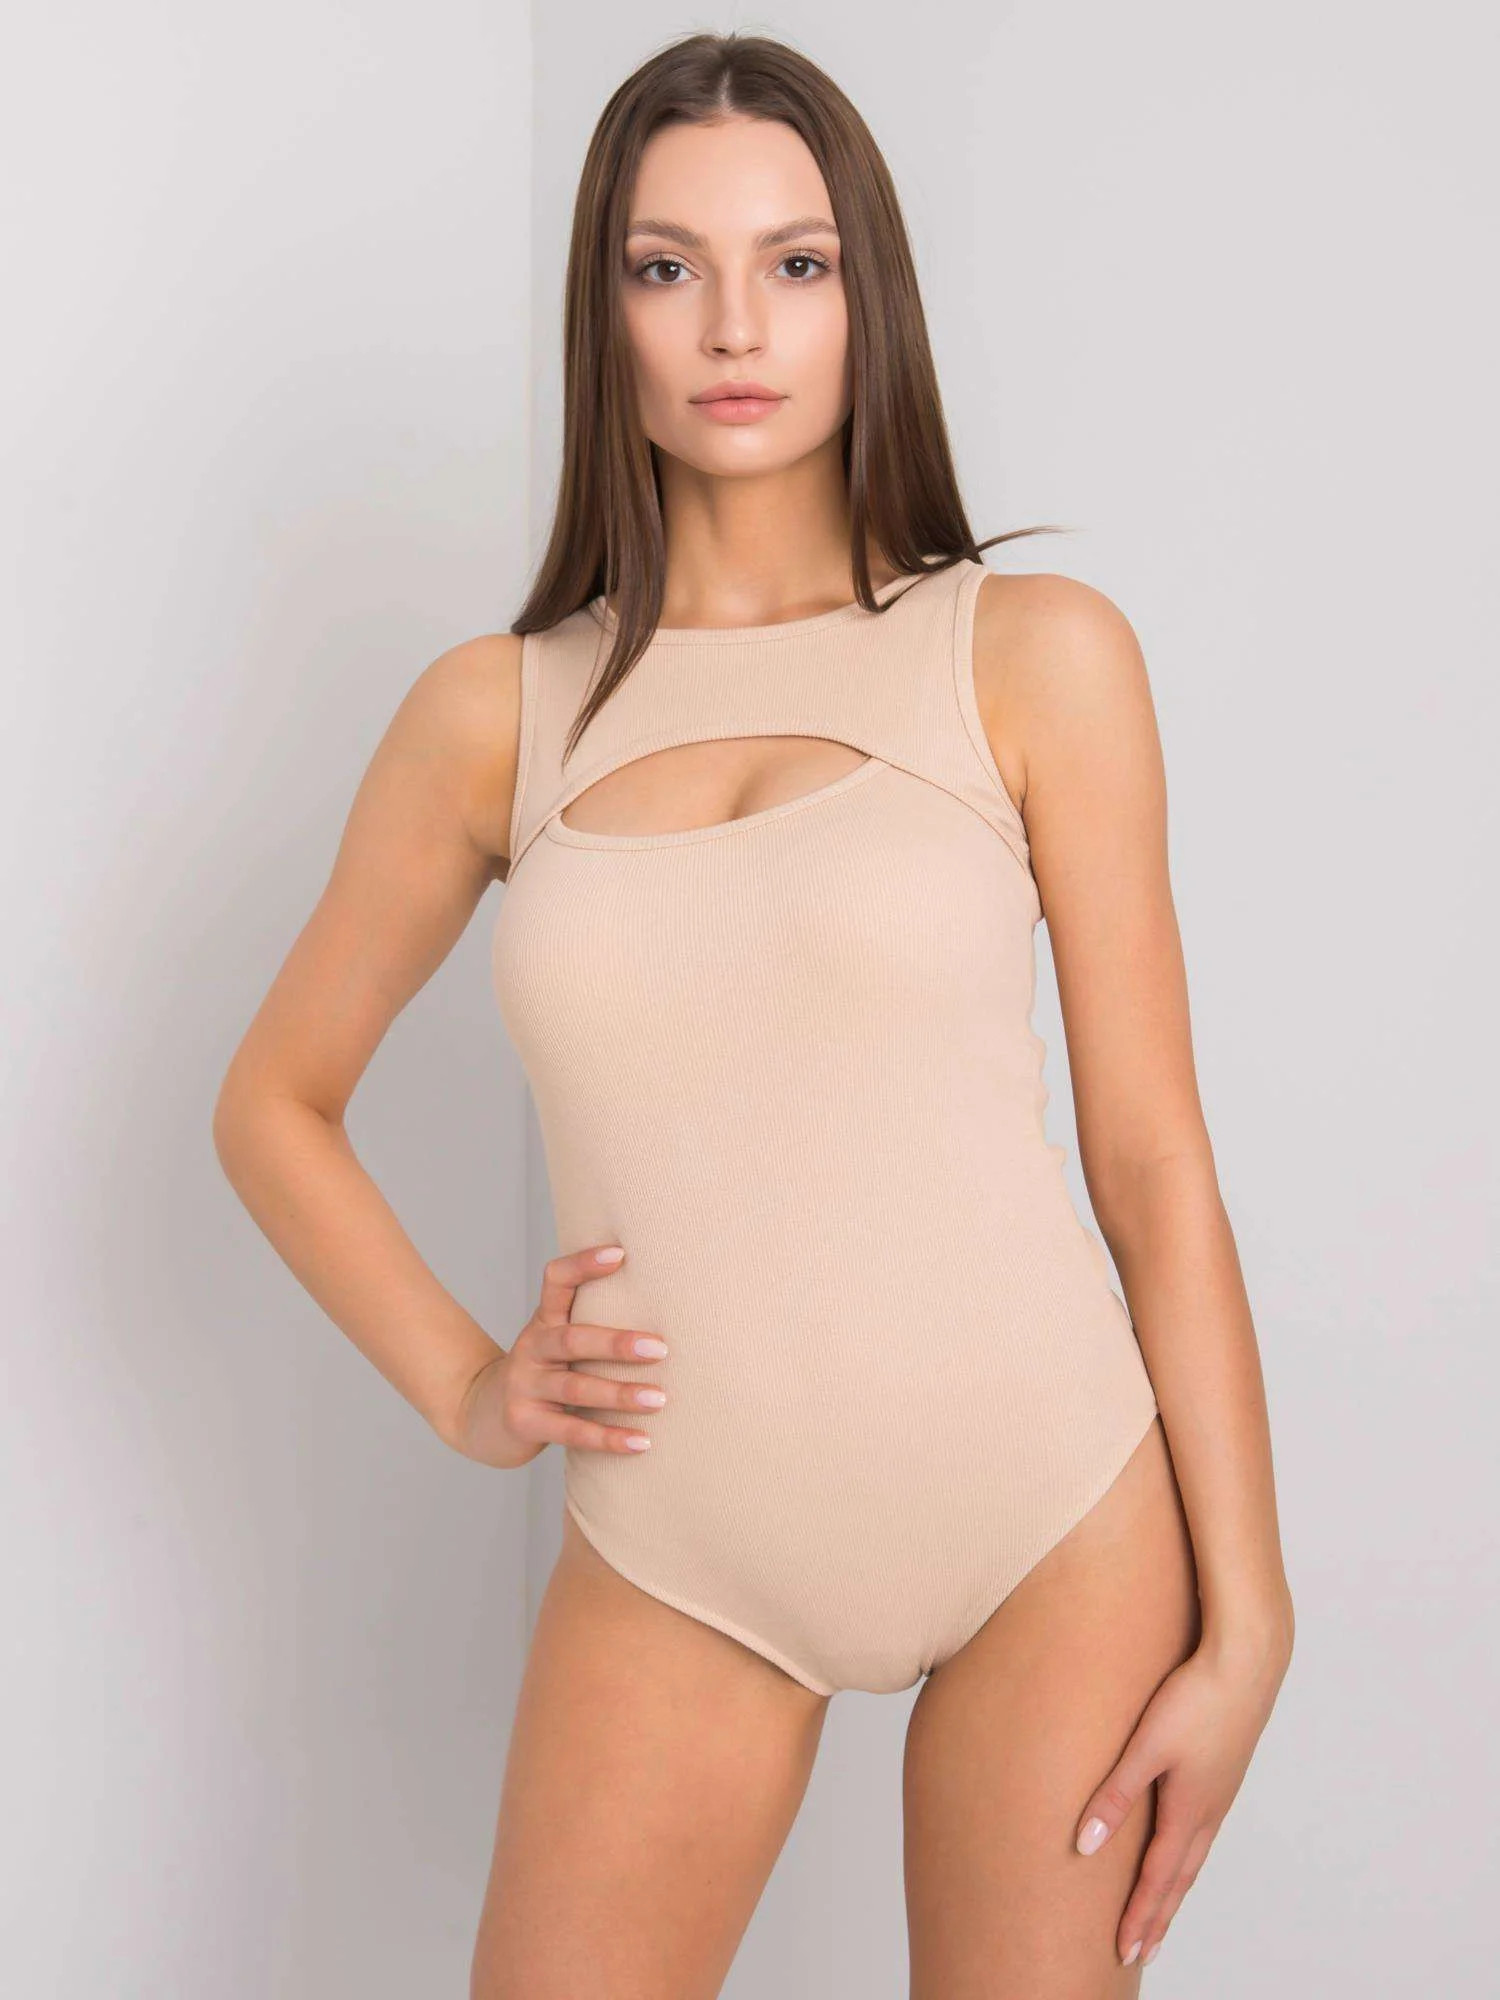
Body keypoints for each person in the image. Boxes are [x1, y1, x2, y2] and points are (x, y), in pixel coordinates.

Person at [213, 31, 1295, 1999]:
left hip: (1053, 1514)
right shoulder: (497, 715)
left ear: (870, 300)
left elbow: (1153, 1164)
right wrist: (469, 1390)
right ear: (603, 309)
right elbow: (274, 1101)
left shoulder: (1029, 654)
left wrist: (1255, 1624)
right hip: (679, 1547)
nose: (735, 324)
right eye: (668, 266)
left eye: (797, 263)